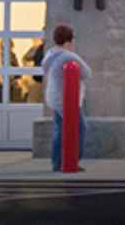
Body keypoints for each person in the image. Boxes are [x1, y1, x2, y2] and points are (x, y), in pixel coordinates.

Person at [42, 24, 91, 171]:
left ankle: (57, 163)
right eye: (73, 39)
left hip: (54, 97)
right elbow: (87, 73)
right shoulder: (67, 55)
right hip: (67, 100)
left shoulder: (49, 54)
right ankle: (73, 160)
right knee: (80, 128)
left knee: (59, 130)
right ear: (68, 41)